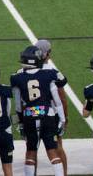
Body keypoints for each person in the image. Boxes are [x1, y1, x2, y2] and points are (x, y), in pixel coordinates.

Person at [10, 46, 66, 176]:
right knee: (52, 150)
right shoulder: (49, 74)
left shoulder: (17, 77)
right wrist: (62, 120)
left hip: (29, 115)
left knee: (31, 151)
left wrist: (21, 123)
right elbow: (57, 101)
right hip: (47, 114)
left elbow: (18, 105)